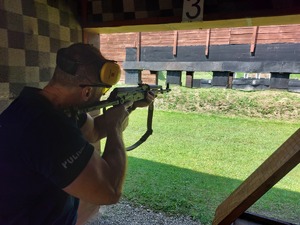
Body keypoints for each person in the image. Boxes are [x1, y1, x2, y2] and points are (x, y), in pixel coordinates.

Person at [0, 43, 154, 225]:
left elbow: (95, 130)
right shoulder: (48, 126)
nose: (103, 95)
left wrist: (130, 106)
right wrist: (115, 127)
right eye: (103, 90)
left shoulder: (44, 108)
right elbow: (110, 190)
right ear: (87, 91)